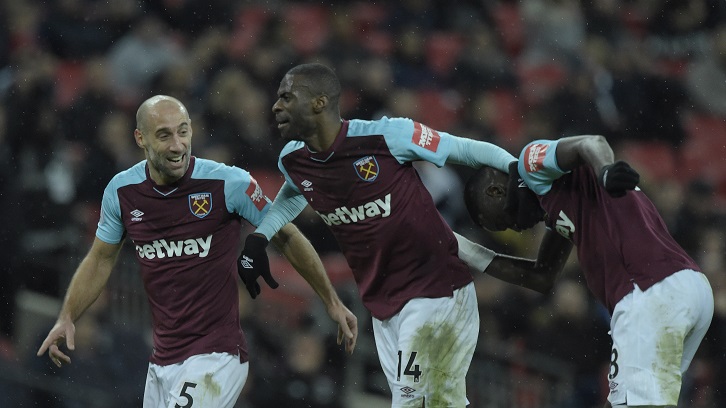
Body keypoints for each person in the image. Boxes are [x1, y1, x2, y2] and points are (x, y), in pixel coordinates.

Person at [236, 62, 571, 407]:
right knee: (442, 403)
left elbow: (466, 150)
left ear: (319, 102)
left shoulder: (386, 135)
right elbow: (292, 195)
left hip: (437, 290)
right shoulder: (293, 161)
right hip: (383, 304)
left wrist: (518, 171)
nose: (276, 106)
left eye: (287, 97)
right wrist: (261, 237)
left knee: (409, 400)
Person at [36, 95, 358, 408]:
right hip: (162, 361)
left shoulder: (228, 183)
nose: (177, 145)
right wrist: (67, 316)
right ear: (140, 138)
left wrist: (330, 300)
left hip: (216, 356)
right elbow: (99, 259)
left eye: (183, 131)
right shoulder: (121, 191)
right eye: (164, 135)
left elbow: (286, 237)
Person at [463, 134, 714, 408]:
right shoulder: (561, 203)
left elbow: (589, 143)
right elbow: (541, 276)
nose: (514, 229)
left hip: (647, 290)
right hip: (687, 288)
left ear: (495, 192)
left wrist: (605, 172)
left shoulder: (530, 164)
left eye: (500, 222)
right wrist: (465, 250)